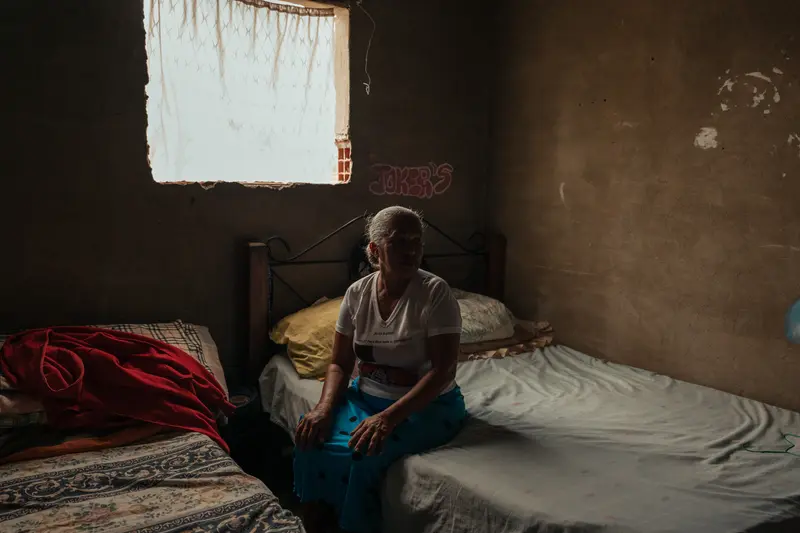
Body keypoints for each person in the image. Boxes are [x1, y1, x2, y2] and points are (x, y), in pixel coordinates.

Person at [293, 206, 468, 533]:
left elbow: (443, 371)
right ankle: (315, 520)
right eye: (399, 242)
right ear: (375, 249)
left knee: (364, 453)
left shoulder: (435, 292)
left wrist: (388, 418)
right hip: (366, 398)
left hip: (426, 406)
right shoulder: (357, 294)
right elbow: (339, 362)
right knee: (311, 437)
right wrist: (323, 408)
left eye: (417, 242)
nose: (411, 251)